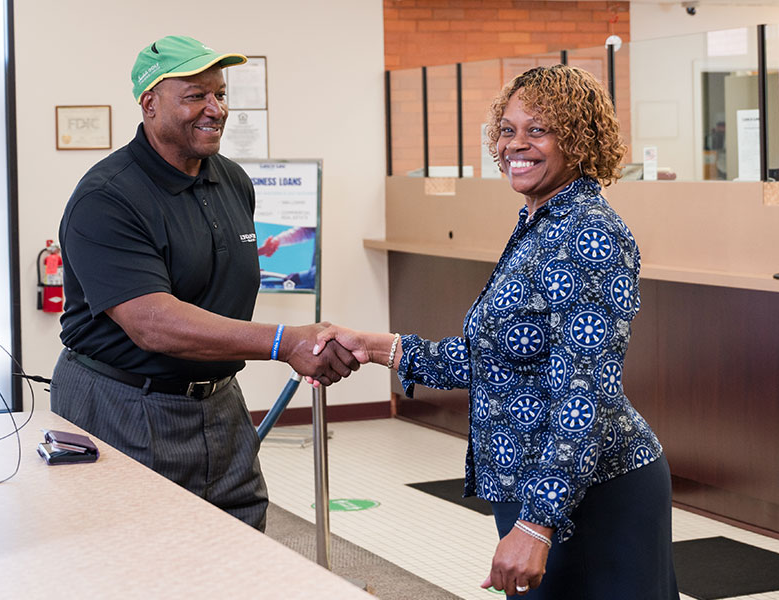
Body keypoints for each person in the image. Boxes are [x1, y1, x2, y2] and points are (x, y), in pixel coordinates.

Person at [310, 65, 679, 598]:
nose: (516, 144)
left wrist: (536, 525)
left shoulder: (589, 234)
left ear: (578, 141)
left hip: (589, 494)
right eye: (507, 129)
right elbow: (497, 360)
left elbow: (587, 393)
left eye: (539, 129)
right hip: (534, 488)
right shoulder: (538, 221)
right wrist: (376, 347)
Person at [51, 35, 359, 532]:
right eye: (196, 95)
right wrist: (285, 341)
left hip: (218, 401)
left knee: (240, 536)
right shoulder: (106, 198)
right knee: (138, 552)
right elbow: (155, 324)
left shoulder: (232, 180)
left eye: (219, 94)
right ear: (149, 103)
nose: (215, 109)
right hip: (125, 402)